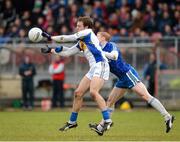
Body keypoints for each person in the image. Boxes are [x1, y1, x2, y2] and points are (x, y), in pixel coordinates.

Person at [88, 32, 175, 135]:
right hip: (121, 78)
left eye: (97, 36)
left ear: (103, 38)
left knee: (145, 96)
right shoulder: (100, 49)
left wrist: (100, 53)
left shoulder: (111, 45)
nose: (95, 38)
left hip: (128, 74)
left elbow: (114, 56)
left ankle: (167, 117)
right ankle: (101, 127)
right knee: (110, 101)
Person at [41, 16, 112, 134]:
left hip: (101, 64)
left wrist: (50, 37)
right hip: (94, 68)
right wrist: (51, 51)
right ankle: (72, 122)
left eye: (79, 26)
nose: (77, 28)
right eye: (77, 25)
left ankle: (107, 119)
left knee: (93, 92)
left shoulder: (88, 32)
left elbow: (69, 38)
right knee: (78, 93)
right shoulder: (82, 42)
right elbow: (68, 52)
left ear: (87, 27)